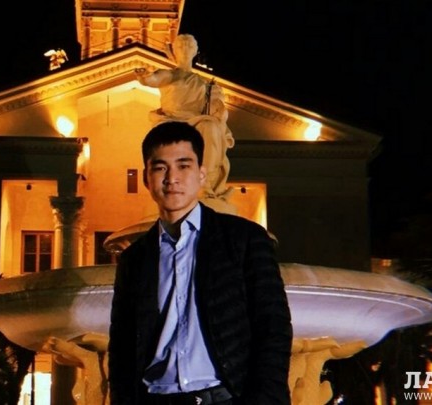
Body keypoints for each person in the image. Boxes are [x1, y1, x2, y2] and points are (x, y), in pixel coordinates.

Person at [108, 121, 293, 404]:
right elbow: (121, 345)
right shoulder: (134, 258)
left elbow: (273, 327)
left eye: (183, 166)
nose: (172, 178)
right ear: (146, 178)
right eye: (160, 168)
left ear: (202, 174)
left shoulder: (244, 239)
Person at [134, 34, 235, 209]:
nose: (185, 50)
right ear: (174, 50)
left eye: (189, 46)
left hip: (198, 121)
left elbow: (216, 109)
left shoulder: (202, 82)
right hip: (172, 120)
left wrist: (217, 104)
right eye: (181, 46)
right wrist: (145, 77)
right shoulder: (170, 75)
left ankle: (204, 184)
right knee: (203, 128)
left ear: (195, 51)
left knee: (211, 126)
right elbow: (154, 79)